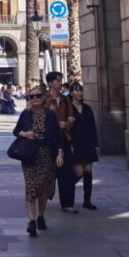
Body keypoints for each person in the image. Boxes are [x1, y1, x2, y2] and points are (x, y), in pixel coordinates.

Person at [13, 85, 64, 236]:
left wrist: (60, 154)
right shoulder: (25, 114)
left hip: (46, 154)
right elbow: (16, 131)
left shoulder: (50, 115)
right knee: (30, 186)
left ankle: (40, 215)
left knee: (42, 187)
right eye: (31, 96)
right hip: (29, 154)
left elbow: (57, 137)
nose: (35, 99)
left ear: (43, 98)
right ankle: (31, 220)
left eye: (38, 96)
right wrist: (24, 134)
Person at [46, 72, 78, 213]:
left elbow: (72, 116)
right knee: (47, 172)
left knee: (67, 172)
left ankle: (67, 203)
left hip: (64, 138)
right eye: (57, 81)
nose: (60, 83)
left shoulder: (65, 100)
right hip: (48, 140)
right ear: (50, 83)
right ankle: (42, 198)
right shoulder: (44, 99)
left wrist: (67, 124)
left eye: (60, 81)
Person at [69, 83, 101, 210]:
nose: (79, 93)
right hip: (76, 143)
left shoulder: (87, 108)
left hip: (87, 143)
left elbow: (92, 126)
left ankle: (87, 199)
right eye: (76, 91)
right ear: (71, 93)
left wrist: (95, 144)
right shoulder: (69, 108)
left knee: (88, 172)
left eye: (81, 91)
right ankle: (66, 190)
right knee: (79, 172)